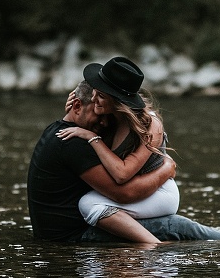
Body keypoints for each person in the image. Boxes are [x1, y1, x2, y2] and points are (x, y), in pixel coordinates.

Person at [26, 56, 220, 245]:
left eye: (102, 100)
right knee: (169, 226)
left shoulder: (83, 130)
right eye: (94, 102)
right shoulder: (76, 140)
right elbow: (122, 193)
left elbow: (122, 183)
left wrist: (165, 168)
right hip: (73, 236)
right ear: (75, 106)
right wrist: (167, 168)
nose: (100, 117)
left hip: (79, 226)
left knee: (170, 224)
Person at [56, 57, 179, 244]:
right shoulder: (110, 117)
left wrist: (92, 138)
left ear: (118, 101)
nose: (93, 99)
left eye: (101, 97)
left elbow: (122, 174)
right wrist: (74, 114)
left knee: (88, 203)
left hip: (159, 193)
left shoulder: (150, 125)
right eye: (95, 93)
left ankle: (152, 244)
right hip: (132, 188)